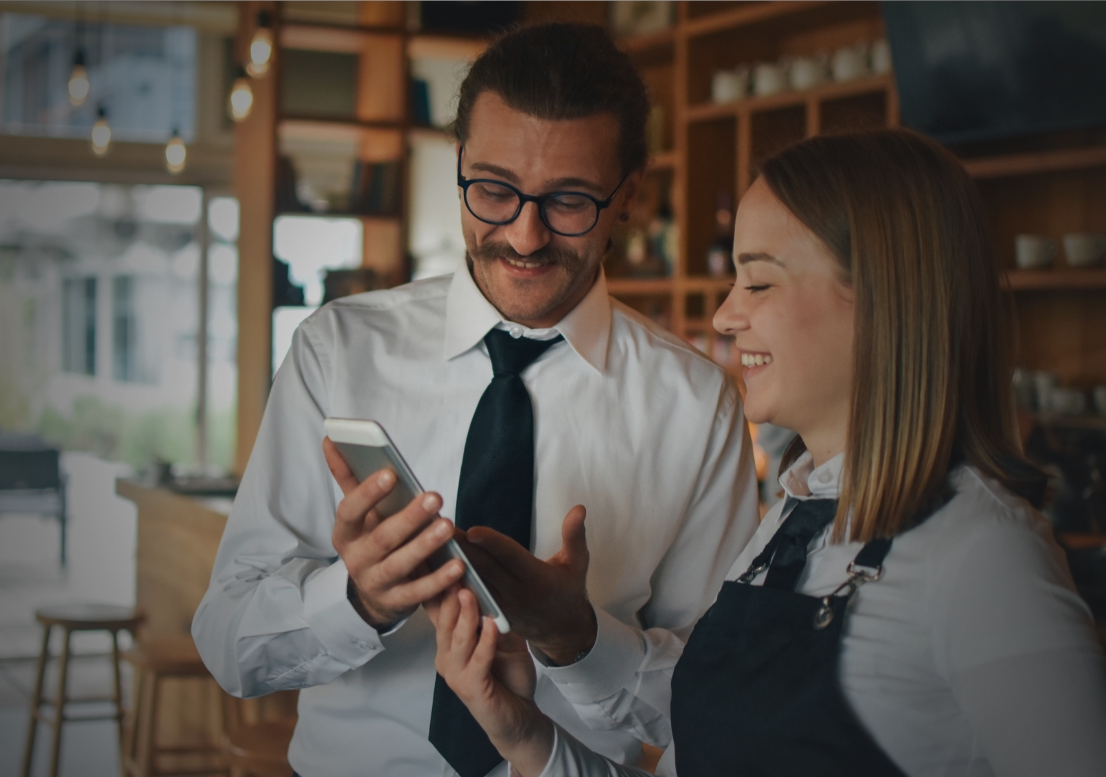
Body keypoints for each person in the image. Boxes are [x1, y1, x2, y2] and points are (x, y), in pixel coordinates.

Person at [431, 128, 1106, 777]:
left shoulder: (986, 559)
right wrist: (524, 734)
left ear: (883, 298)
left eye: (757, 282)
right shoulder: (794, 516)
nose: (724, 316)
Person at [191, 23, 760, 777]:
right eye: (493, 190)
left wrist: (580, 642)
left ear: (629, 195)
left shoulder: (696, 406)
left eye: (568, 201)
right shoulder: (337, 350)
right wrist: (357, 599)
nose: (524, 236)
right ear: (457, 163)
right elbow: (228, 644)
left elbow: (720, 703)